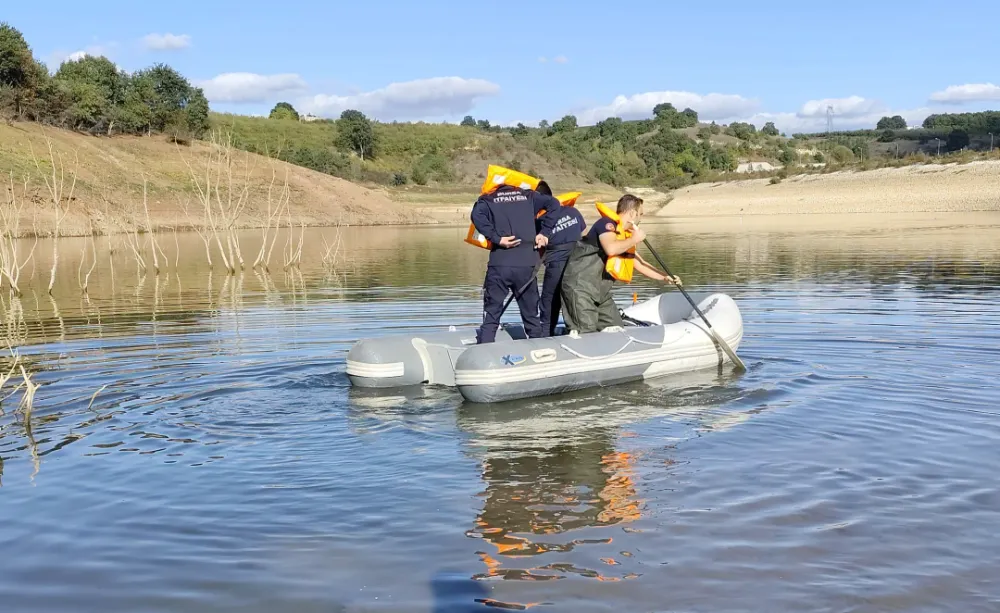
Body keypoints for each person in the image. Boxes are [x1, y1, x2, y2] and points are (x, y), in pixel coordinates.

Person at [559, 194, 681, 334]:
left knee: (616, 328)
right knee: (586, 331)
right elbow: (611, 248)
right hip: (580, 288)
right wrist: (634, 239)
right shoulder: (606, 224)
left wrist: (665, 277)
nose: (641, 218)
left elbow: (640, 264)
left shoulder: (624, 236)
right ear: (633, 213)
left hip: (600, 292)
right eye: (640, 214)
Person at [470, 182, 562, 344]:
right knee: (531, 317)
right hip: (525, 266)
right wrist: (544, 233)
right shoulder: (529, 196)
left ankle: (484, 350)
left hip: (500, 265)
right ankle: (540, 352)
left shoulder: (488, 199)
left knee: (491, 316)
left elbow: (476, 215)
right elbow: (554, 203)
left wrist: (496, 238)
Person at [534, 181, 586, 336]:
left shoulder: (540, 222)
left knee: (549, 300)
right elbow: (583, 234)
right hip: (578, 262)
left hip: (557, 264)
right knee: (574, 296)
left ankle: (545, 333)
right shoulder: (573, 211)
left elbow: (537, 246)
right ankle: (582, 328)